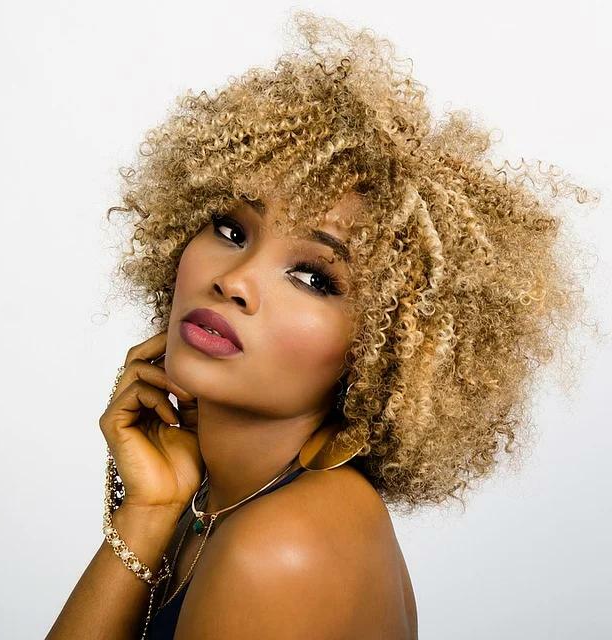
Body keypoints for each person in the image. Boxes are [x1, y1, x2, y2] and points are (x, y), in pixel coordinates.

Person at [46, 10, 597, 640]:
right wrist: (148, 512)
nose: (235, 280)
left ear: (388, 351)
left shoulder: (283, 548)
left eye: (312, 277)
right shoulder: (216, 501)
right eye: (231, 229)